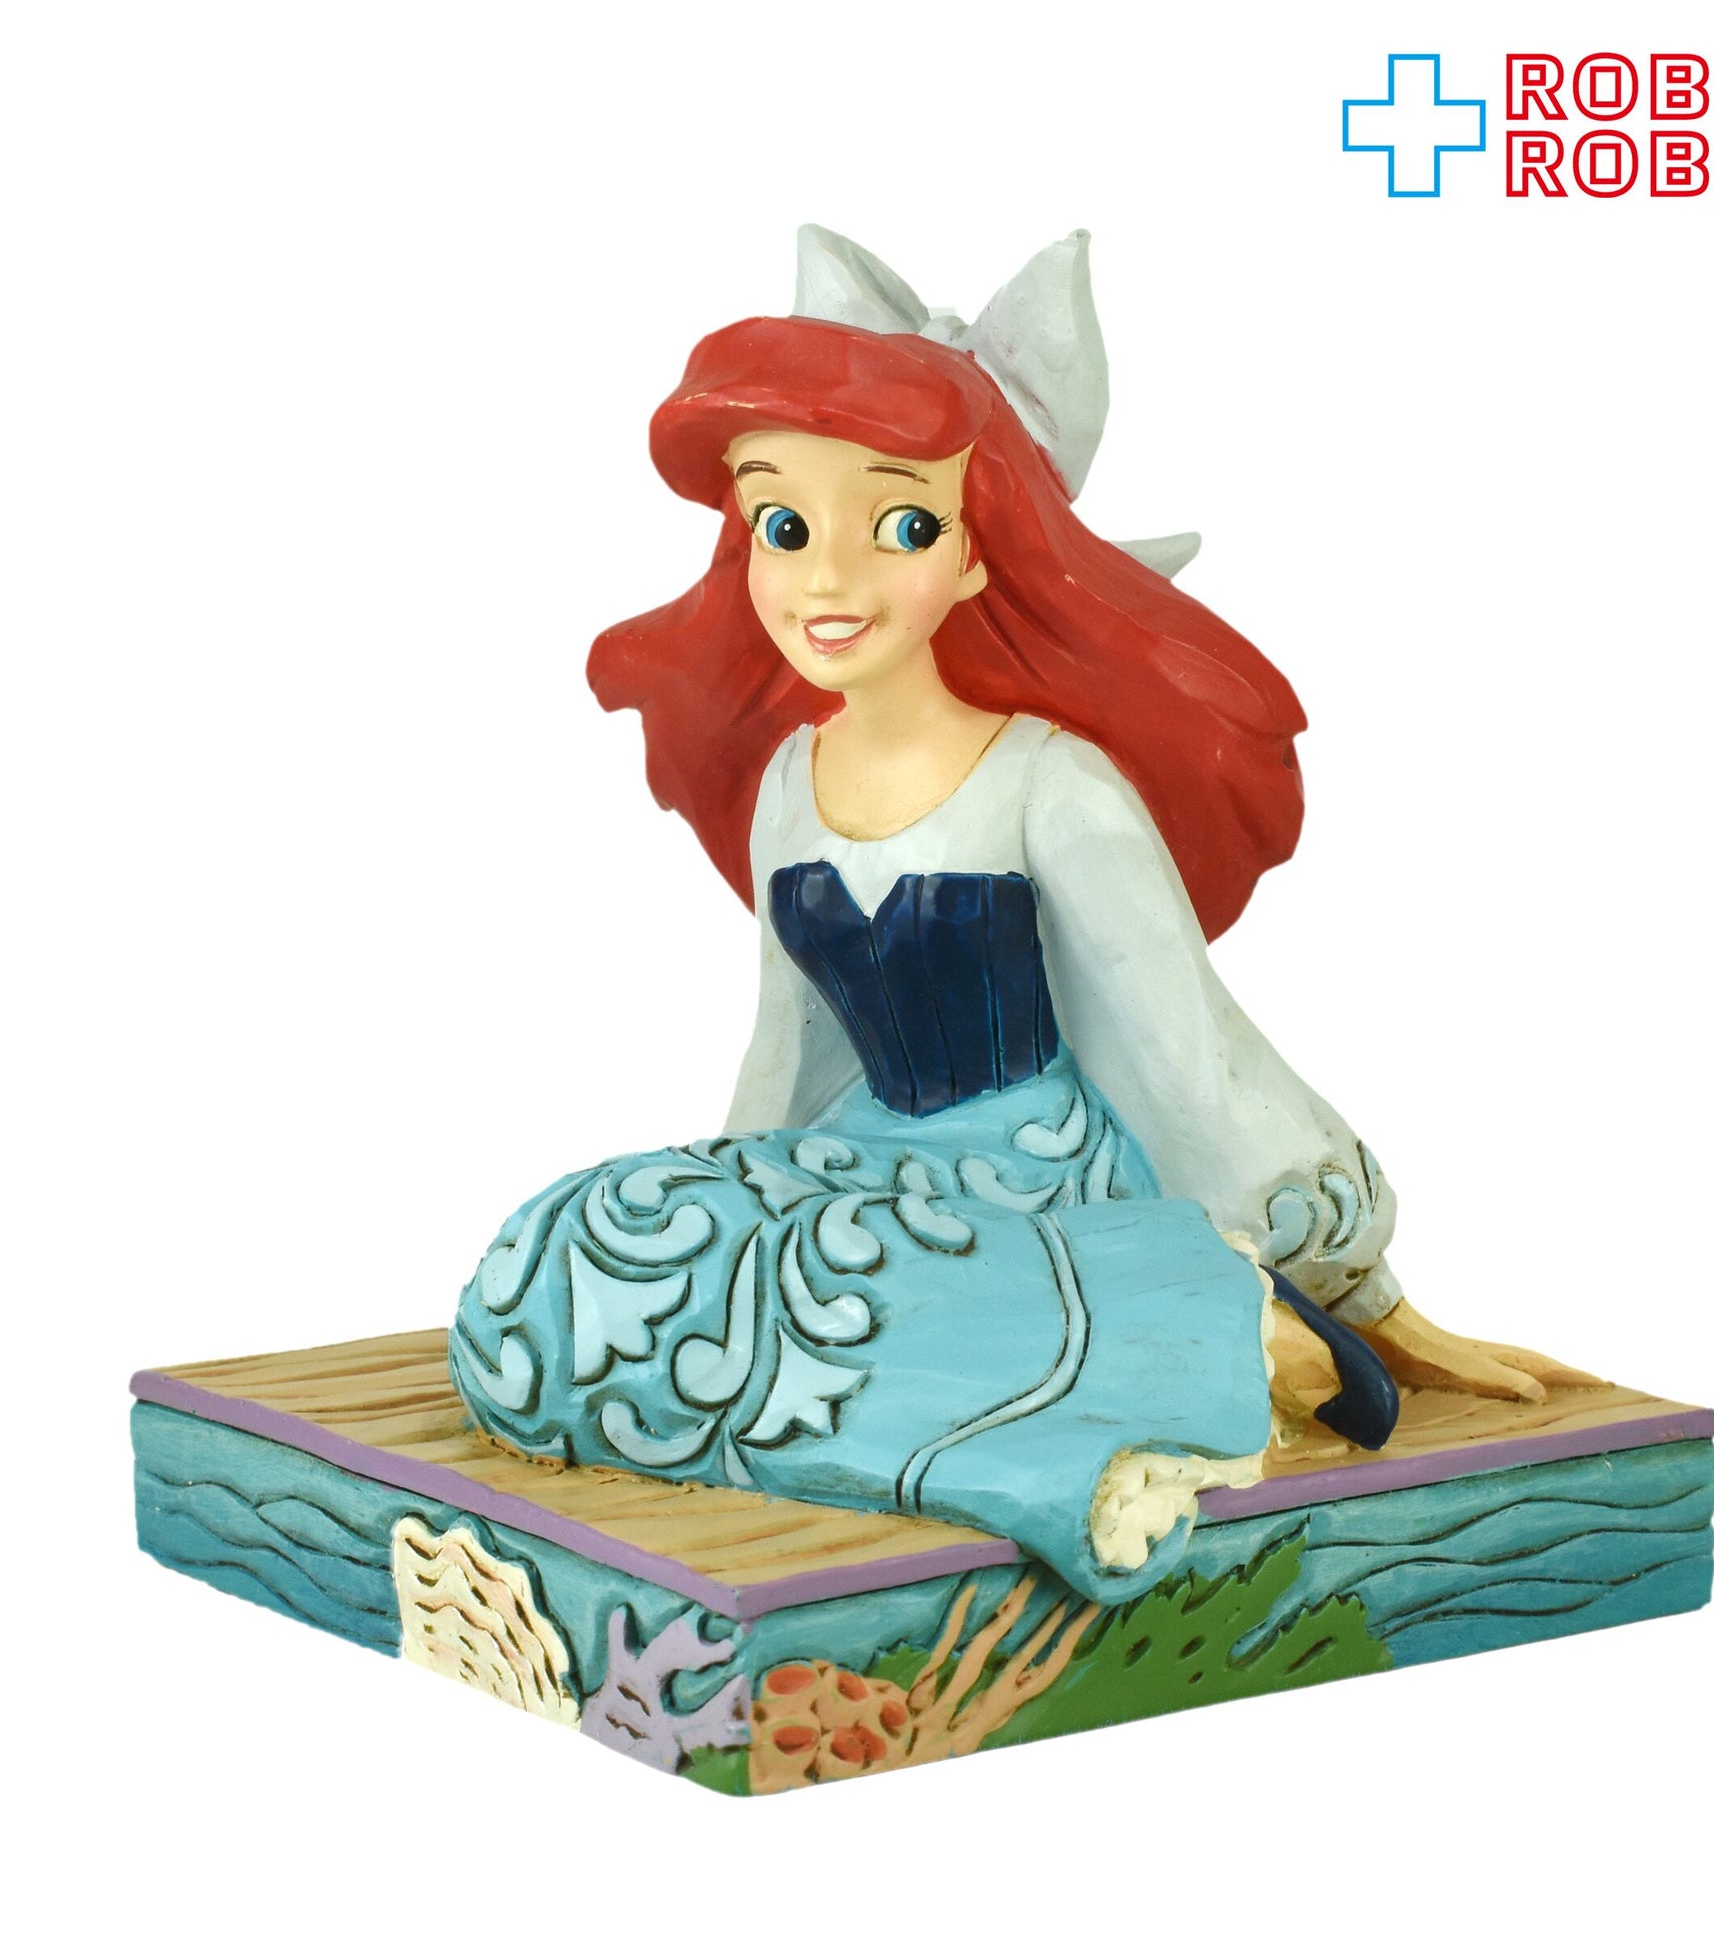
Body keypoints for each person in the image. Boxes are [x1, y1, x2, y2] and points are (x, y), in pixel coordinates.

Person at [448, 230, 1594, 1603]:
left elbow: (1188, 1053)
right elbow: (787, 1052)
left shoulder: (1054, 787)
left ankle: (1213, 1338)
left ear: (981, 557)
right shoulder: (789, 787)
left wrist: (1369, 1290)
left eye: (902, 527)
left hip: (1038, 1185)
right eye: (784, 528)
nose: (828, 582)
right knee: (565, 1255)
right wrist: (724, 1203)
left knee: (873, 1286)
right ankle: (1135, 1354)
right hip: (861, 1172)